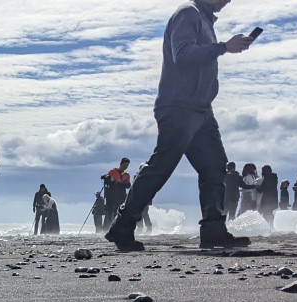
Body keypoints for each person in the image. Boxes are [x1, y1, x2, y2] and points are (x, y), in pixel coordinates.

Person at [103, 0, 254, 251]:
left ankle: (214, 230)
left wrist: (222, 48)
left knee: (215, 166)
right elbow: (182, 55)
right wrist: (224, 47)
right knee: (161, 166)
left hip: (201, 110)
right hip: (178, 107)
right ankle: (123, 226)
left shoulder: (204, 19)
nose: (229, 1)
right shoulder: (188, 13)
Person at [102, 158, 132, 227]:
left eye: (127, 165)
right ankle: (105, 229)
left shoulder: (126, 175)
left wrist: (121, 183)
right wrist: (109, 179)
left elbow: (128, 185)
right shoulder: (113, 171)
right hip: (111, 196)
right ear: (121, 164)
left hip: (121, 196)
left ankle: (116, 227)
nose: (126, 166)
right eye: (125, 165)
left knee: (118, 212)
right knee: (109, 213)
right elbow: (107, 181)